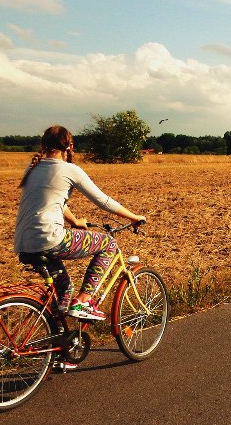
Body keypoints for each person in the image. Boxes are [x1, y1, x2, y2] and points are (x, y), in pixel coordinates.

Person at [14, 125, 145, 321]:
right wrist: (133, 217)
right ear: (70, 146)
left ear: (43, 144)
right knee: (108, 244)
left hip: (24, 242)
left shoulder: (33, 167)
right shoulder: (69, 170)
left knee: (64, 289)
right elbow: (103, 201)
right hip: (49, 238)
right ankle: (84, 301)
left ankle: (56, 334)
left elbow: (52, 200)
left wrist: (74, 220)